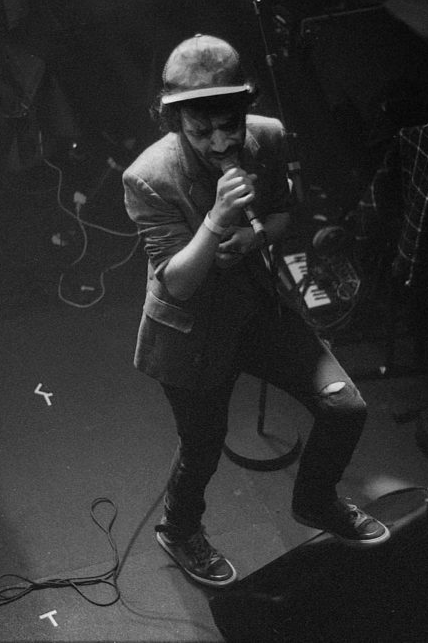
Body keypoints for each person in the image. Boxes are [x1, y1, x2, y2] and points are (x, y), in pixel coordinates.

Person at [122, 34, 389, 588]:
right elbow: (175, 282)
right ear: (176, 122)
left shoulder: (265, 137)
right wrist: (217, 221)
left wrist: (255, 234)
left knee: (345, 407)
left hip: (256, 308)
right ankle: (178, 528)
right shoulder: (149, 176)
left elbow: (286, 214)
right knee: (202, 446)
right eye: (202, 131)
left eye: (230, 125)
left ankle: (315, 501)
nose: (221, 142)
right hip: (191, 331)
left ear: (245, 109)